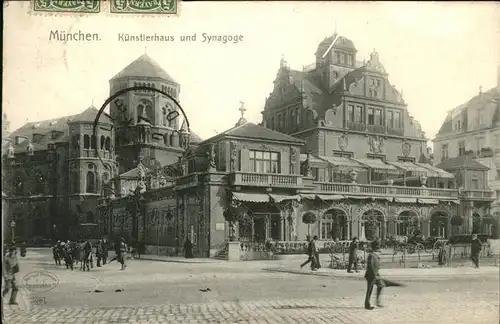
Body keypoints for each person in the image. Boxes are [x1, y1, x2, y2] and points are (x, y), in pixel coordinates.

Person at [364, 240, 385, 310]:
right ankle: (367, 304)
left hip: (376, 274)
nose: (378, 248)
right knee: (369, 290)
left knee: (381, 285)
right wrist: (374, 275)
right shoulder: (371, 255)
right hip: (371, 275)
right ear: (374, 248)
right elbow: (370, 266)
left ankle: (377, 301)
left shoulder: (375, 254)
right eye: (377, 247)